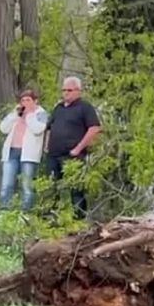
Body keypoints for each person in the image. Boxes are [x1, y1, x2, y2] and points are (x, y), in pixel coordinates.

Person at [44, 76, 102, 219]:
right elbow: (50, 127)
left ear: (78, 90)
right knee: (50, 187)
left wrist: (78, 148)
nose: (65, 93)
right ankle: (50, 219)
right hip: (53, 154)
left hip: (72, 155)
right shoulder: (58, 108)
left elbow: (94, 128)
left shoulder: (85, 107)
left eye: (69, 90)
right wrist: (46, 146)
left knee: (76, 189)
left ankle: (78, 220)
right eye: (63, 90)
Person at [0, 89, 48, 211]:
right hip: (12, 152)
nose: (25, 103)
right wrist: (14, 115)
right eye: (23, 100)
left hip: (29, 154)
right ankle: (5, 211)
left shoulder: (40, 113)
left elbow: (38, 129)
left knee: (27, 186)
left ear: (35, 101)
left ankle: (26, 212)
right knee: (7, 184)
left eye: (28, 100)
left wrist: (30, 115)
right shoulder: (17, 113)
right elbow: (3, 128)